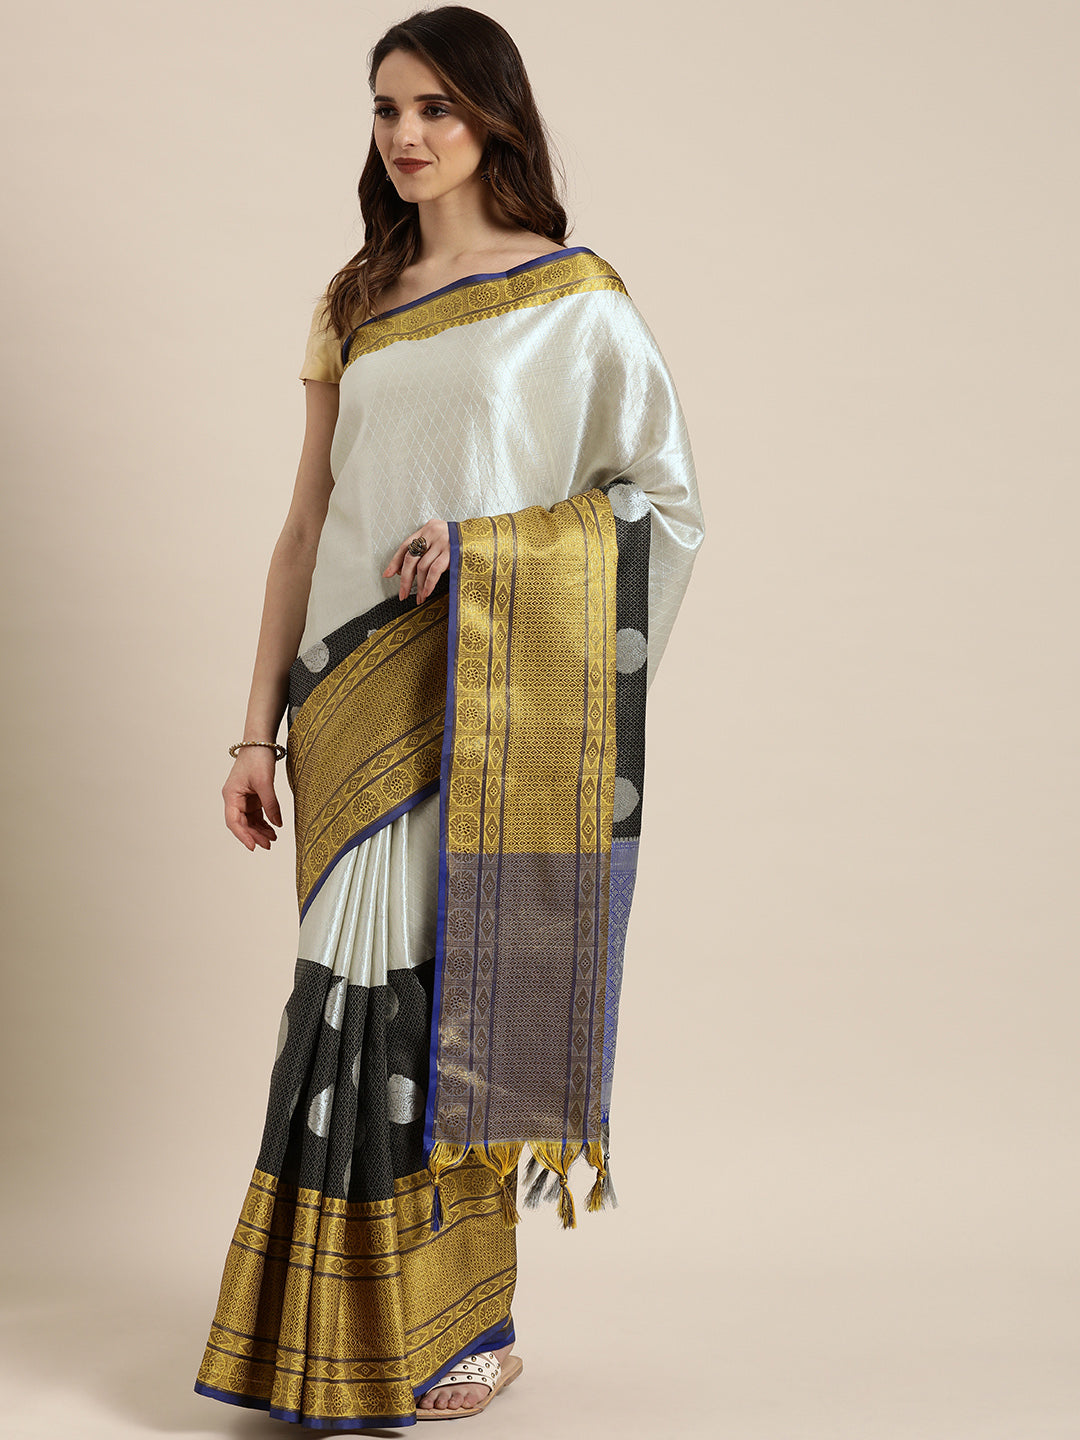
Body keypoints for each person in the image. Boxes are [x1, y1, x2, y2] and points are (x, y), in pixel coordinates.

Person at [194, 4, 704, 1428]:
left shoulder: (574, 299)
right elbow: (305, 527)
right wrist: (252, 733)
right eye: (385, 108)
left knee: (445, 1005)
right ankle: (327, 1331)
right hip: (345, 700)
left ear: (494, 119)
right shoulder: (355, 295)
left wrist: (487, 552)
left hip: (481, 698)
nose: (406, 135)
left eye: (435, 108)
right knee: (342, 1006)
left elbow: (663, 508)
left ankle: (465, 1323)